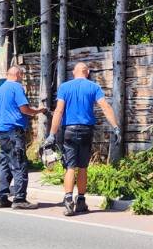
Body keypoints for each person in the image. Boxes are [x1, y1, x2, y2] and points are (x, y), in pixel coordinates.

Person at [46, 60, 120, 216]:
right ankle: (80, 201)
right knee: (83, 167)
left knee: (70, 167)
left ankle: (67, 201)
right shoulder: (94, 87)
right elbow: (105, 107)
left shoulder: (65, 87)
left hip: (69, 131)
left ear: (74, 72)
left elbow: (58, 111)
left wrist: (52, 134)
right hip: (86, 131)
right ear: (87, 72)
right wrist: (115, 127)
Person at [0, 63, 47, 209]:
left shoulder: (1, 88)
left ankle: (2, 196)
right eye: (22, 76)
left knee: (5, 163)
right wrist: (38, 111)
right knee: (19, 163)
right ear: (18, 75)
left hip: (2, 130)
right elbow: (24, 109)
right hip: (14, 130)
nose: (22, 78)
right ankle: (19, 198)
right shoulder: (16, 87)